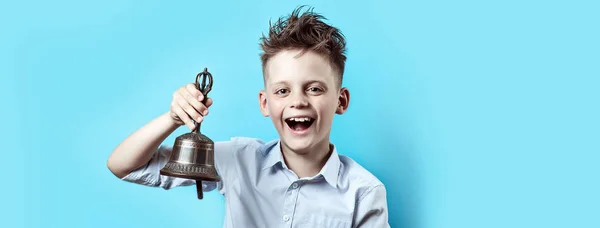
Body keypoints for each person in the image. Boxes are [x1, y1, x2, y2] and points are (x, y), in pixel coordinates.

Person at [107, 6, 390, 228]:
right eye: (282, 91)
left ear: (340, 101)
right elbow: (125, 166)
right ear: (264, 103)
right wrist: (172, 118)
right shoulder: (239, 159)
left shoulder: (363, 193)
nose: (298, 101)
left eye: (314, 88)